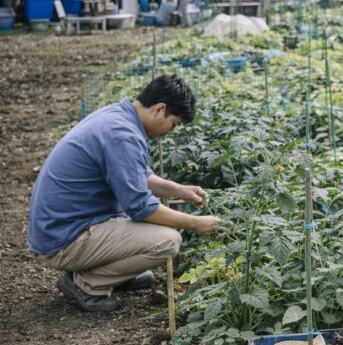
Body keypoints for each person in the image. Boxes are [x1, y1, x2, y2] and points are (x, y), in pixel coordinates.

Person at [28, 75, 221, 312]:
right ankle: (88, 283)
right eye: (174, 124)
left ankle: (113, 274)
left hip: (66, 225)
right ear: (159, 109)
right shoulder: (123, 135)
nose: (171, 131)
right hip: (64, 239)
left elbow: (139, 177)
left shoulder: (119, 116)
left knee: (157, 231)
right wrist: (196, 223)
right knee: (168, 241)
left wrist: (179, 190)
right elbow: (142, 207)